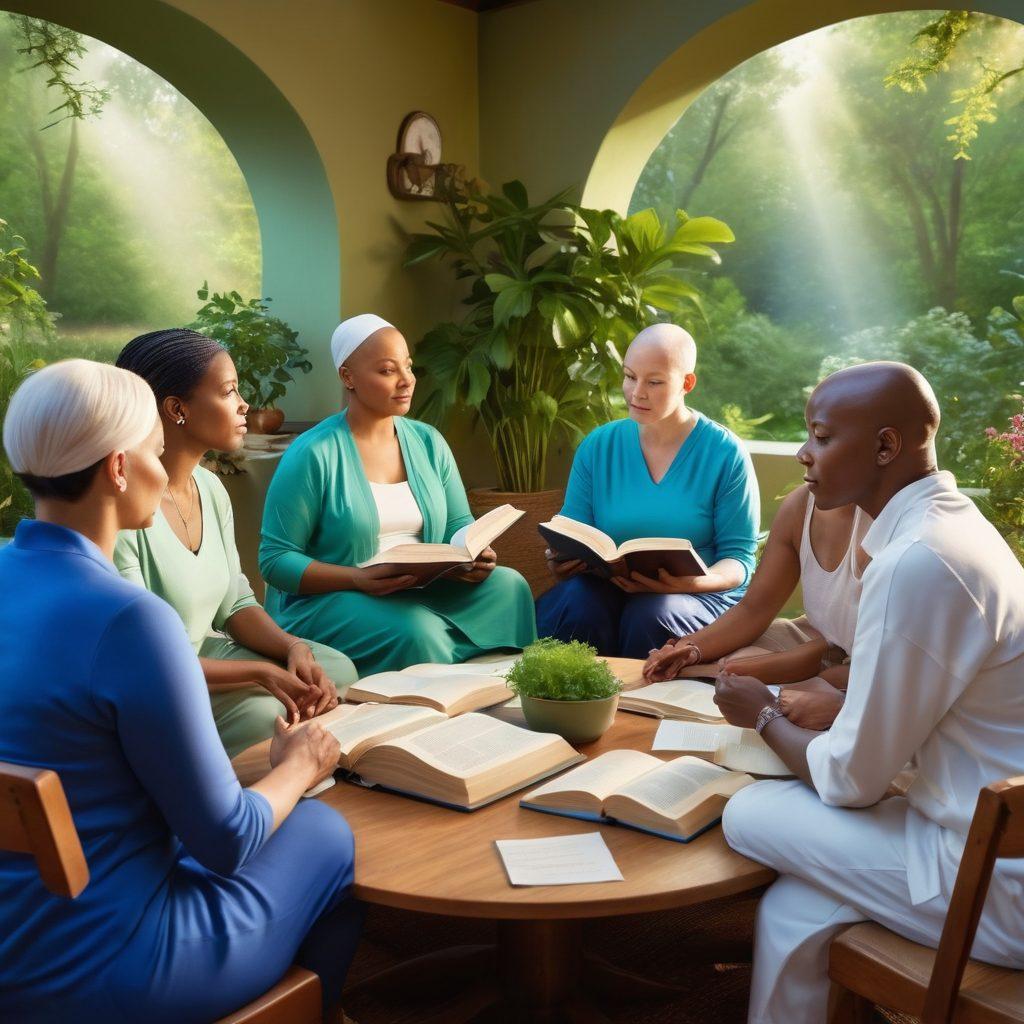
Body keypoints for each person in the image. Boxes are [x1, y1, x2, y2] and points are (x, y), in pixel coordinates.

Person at [0, 360, 362, 1024]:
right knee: (324, 834)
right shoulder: (130, 619)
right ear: (116, 469)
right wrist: (300, 765)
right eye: (152, 450)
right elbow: (226, 839)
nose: (164, 466)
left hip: (12, 943)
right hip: (107, 965)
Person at [715, 362, 1024, 1024]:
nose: (804, 454)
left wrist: (762, 713)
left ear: (887, 447)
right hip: (974, 830)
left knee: (745, 813)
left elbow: (852, 781)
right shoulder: (954, 530)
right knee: (795, 908)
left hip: (991, 880)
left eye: (821, 437)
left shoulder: (917, 562)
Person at [115, 329, 356, 758]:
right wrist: (261, 673)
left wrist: (292, 648)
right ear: (176, 409)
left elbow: (235, 604)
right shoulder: (125, 508)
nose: (245, 404)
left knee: (333, 669)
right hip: (161, 679)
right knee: (272, 715)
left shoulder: (210, 488)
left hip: (214, 656)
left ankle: (289, 747)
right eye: (228, 392)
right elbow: (143, 658)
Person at [259, 314, 536, 674]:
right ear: (348, 377)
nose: (407, 380)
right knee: (418, 632)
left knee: (510, 587)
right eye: (388, 371)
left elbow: (457, 521)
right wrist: (356, 578)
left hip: (420, 587)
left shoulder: (427, 441)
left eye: (408, 366)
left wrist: (471, 553)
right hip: (337, 596)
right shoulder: (313, 454)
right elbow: (275, 559)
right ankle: (437, 704)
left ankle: (497, 687)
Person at [535, 323, 760, 658]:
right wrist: (561, 562)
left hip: (693, 597)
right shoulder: (598, 445)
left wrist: (693, 583)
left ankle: (640, 707)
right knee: (577, 602)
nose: (636, 392)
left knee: (651, 613)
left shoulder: (725, 452)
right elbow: (573, 532)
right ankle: (573, 705)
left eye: (654, 382)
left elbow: (739, 559)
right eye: (629, 376)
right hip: (610, 589)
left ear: (687, 383)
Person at [642, 484, 870, 730]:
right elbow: (754, 608)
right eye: (809, 442)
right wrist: (691, 649)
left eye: (823, 442)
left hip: (871, 666)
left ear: (884, 447)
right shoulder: (801, 505)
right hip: (823, 639)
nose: (803, 454)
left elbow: (885, 670)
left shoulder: (901, 530)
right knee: (736, 660)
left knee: (770, 686)